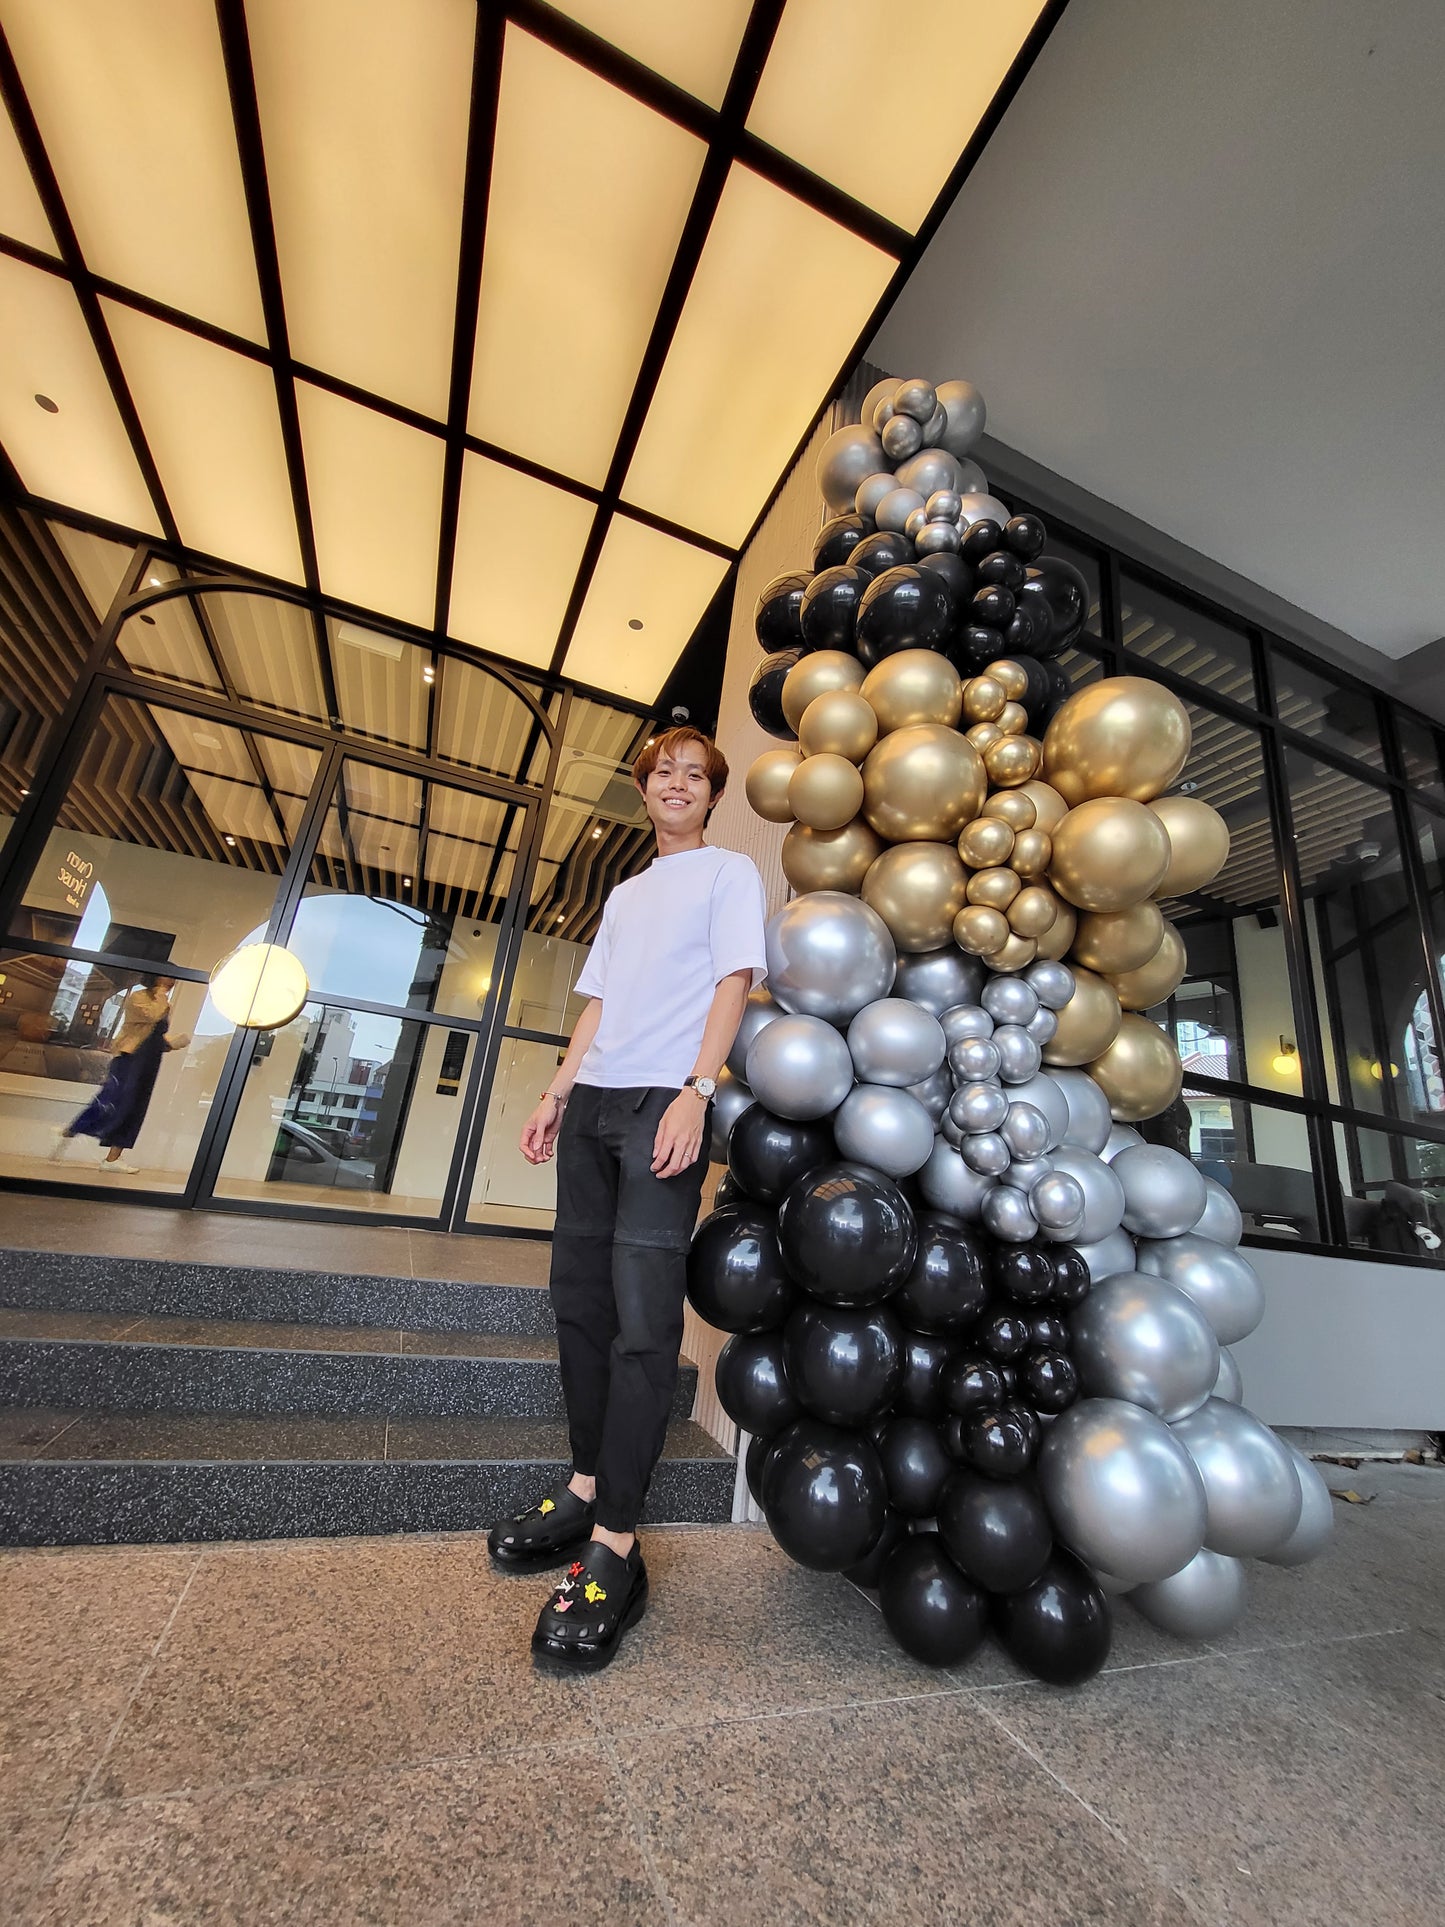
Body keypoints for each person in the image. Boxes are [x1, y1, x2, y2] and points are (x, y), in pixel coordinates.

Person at [491, 726, 766, 1672]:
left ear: (710, 793)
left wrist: (698, 1089)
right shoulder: (624, 892)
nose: (676, 783)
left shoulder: (728, 873)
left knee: (643, 1321)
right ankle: (581, 1483)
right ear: (643, 791)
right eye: (662, 774)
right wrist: (557, 1089)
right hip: (597, 1103)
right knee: (579, 1301)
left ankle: (614, 1544)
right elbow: (598, 1003)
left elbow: (734, 980)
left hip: (663, 1101)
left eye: (694, 773)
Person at [51, 974, 189, 1174]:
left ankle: (112, 1158)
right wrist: (160, 995)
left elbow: (153, 1033)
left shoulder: (164, 1002)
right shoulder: (140, 998)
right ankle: (71, 1130)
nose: (172, 982)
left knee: (136, 1107)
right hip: (131, 1057)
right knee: (114, 1098)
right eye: (168, 977)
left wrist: (171, 1043)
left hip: (150, 1058)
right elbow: (150, 1016)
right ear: (156, 977)